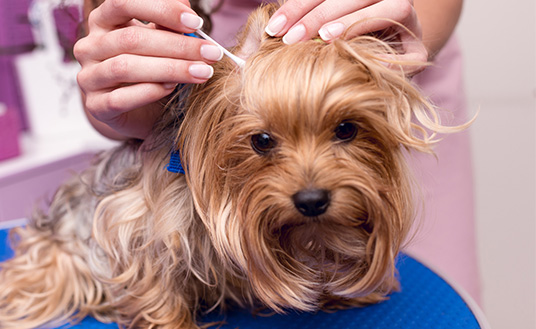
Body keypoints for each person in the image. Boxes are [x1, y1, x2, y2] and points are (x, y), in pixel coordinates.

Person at [73, 0, 480, 303]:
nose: (310, 185)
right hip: (211, 52)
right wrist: (140, 104)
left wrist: (396, 33)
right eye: (264, 143)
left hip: (374, 48)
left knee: (423, 300)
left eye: (343, 132)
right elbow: (107, 78)